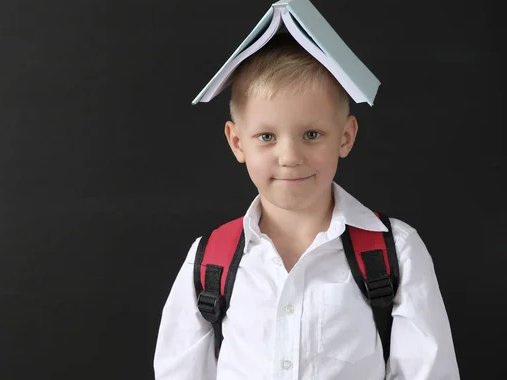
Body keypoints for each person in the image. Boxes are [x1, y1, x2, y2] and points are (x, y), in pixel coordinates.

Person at [153, 33, 460, 379]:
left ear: (345, 136)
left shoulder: (396, 252)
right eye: (266, 137)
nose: (290, 157)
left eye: (312, 134)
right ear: (237, 142)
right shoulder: (210, 260)